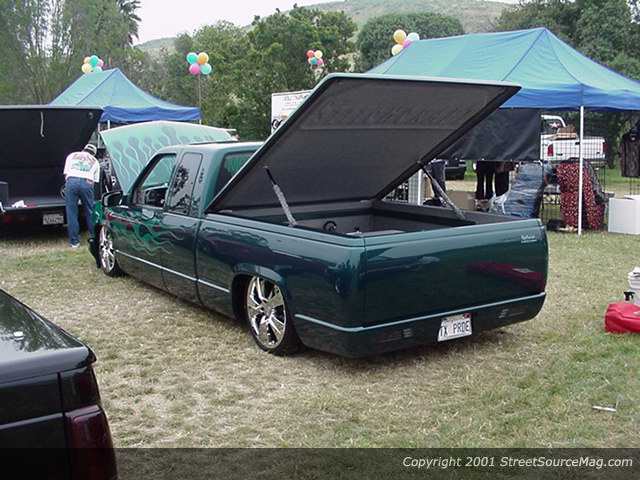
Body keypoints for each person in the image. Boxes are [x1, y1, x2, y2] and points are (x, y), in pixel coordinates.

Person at [63, 144, 100, 248]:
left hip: (71, 181)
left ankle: (74, 242)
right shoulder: (95, 161)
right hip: (87, 182)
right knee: (90, 211)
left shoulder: (72, 155)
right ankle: (94, 237)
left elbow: (66, 174)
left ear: (83, 149)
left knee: (71, 212)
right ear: (93, 153)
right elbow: (94, 181)